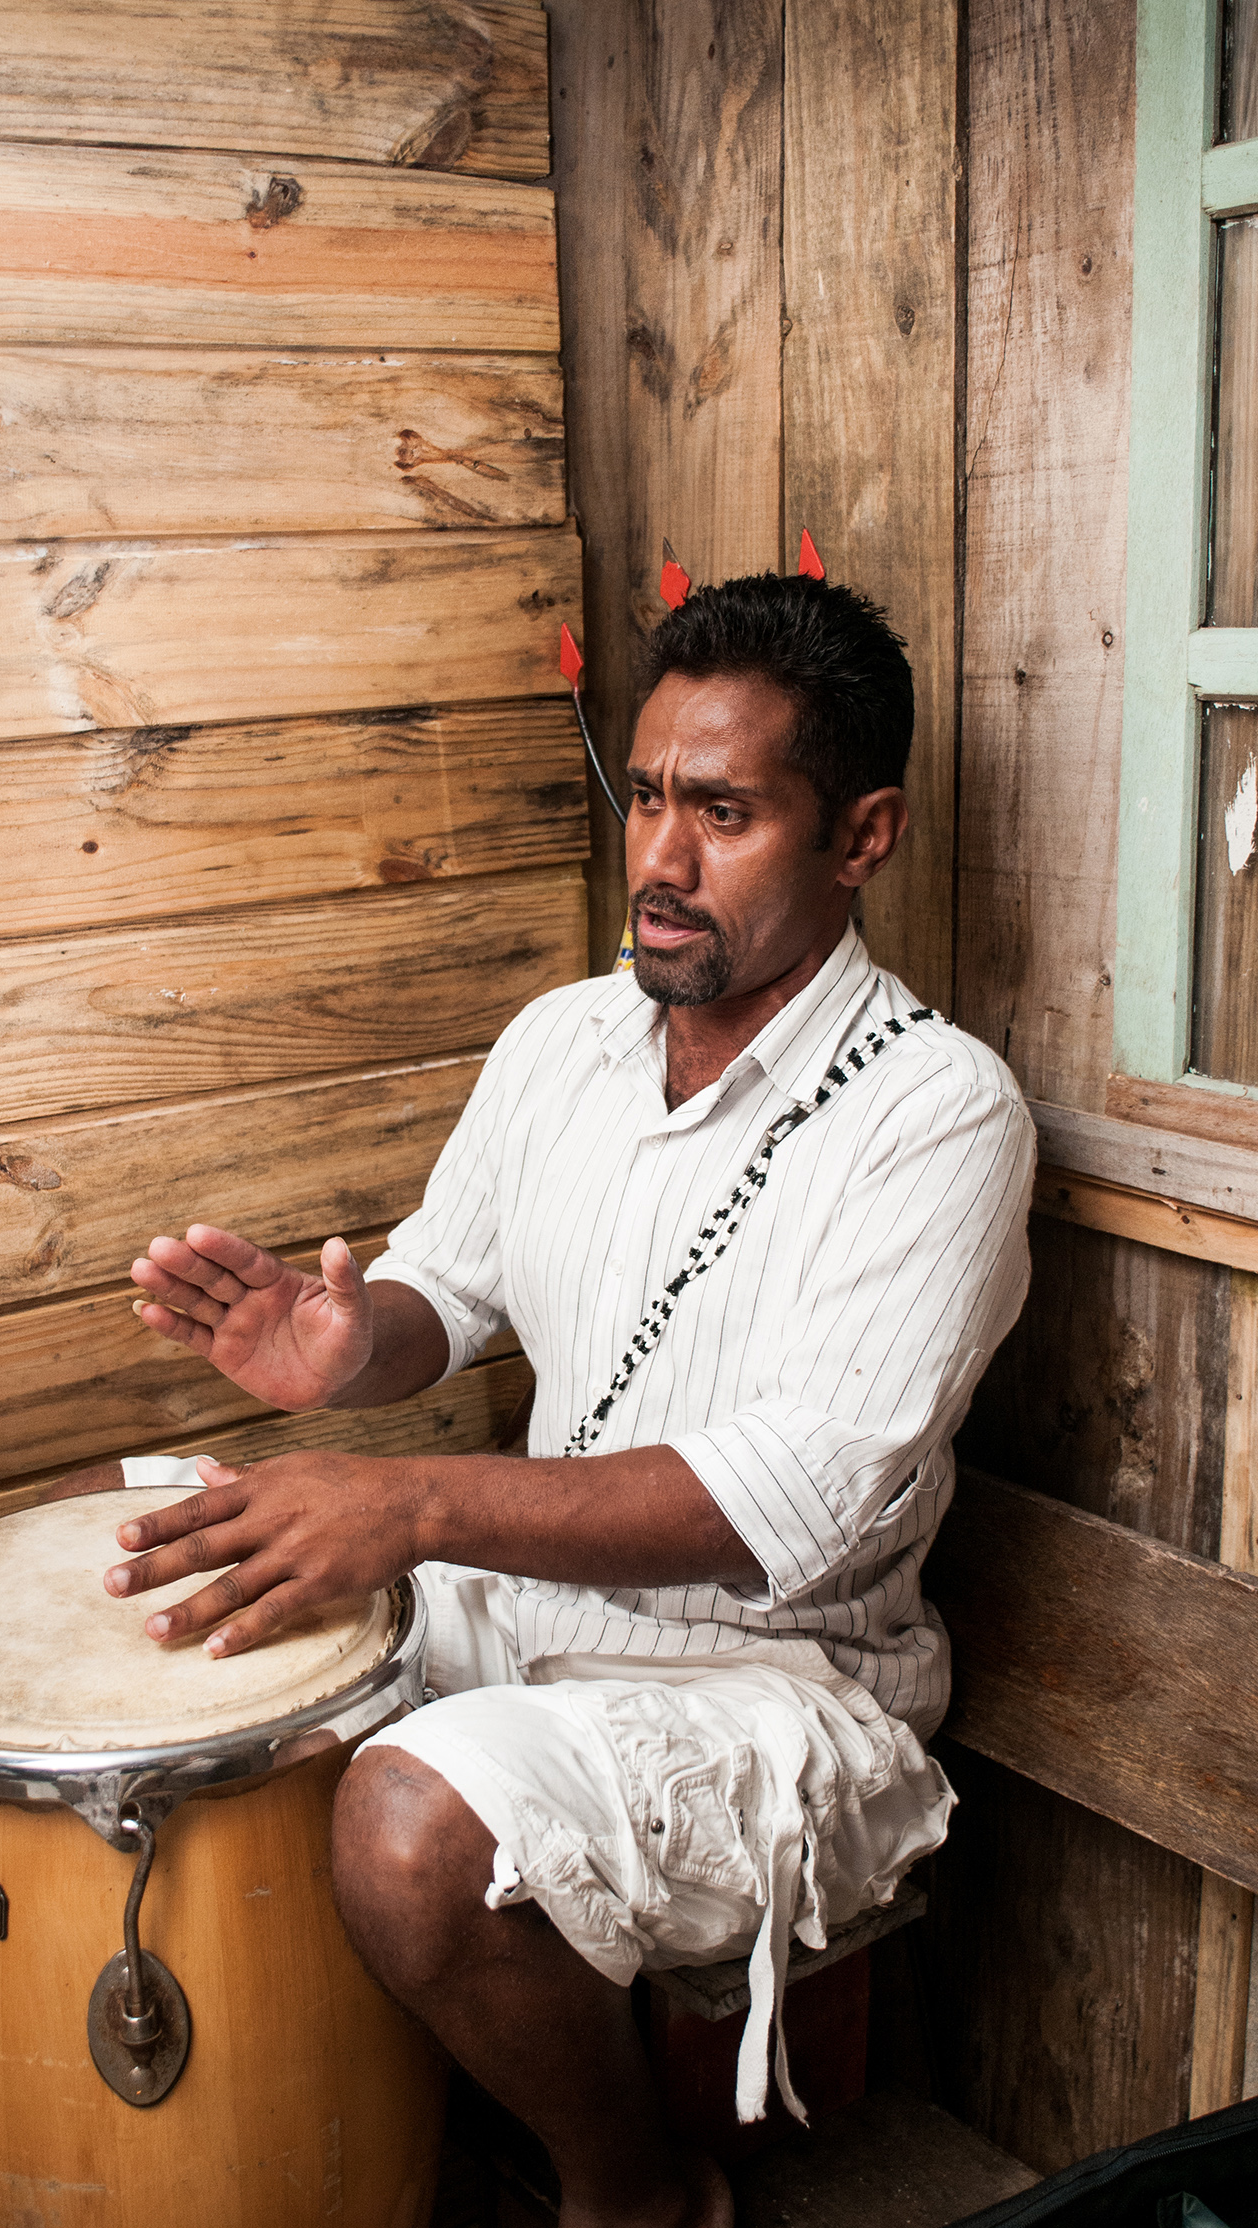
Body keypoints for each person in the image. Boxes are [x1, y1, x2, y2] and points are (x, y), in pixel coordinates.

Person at [95, 573, 1035, 2228]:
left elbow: (789, 1506)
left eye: (726, 813)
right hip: (525, 1620)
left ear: (862, 835)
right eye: (651, 795)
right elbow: (443, 1296)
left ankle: (638, 2197)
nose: (660, 860)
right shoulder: (563, 1043)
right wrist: (347, 1348)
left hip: (782, 1690)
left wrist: (412, 1503)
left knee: (403, 1825)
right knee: (166, 1639)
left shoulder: (939, 1117)